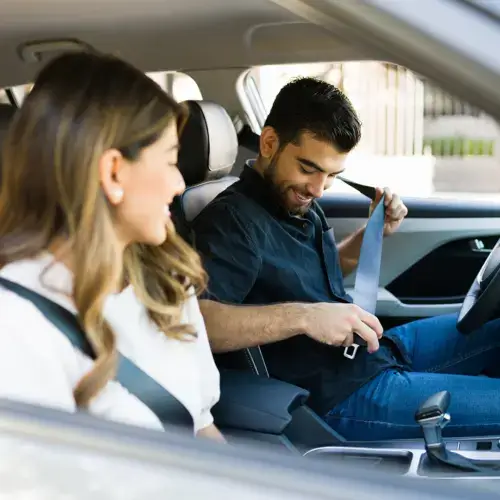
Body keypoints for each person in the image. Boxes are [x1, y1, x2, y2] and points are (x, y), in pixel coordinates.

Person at [192, 77, 500, 442]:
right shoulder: (232, 221)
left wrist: (372, 232)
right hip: (341, 395)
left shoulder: (293, 201)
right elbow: (199, 322)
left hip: (370, 353)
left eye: (332, 175)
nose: (318, 189)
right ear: (270, 142)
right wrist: (305, 317)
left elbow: (317, 272)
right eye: (308, 168)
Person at [0, 51, 223, 442]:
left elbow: (200, 426)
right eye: (171, 161)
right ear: (114, 171)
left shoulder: (168, 277)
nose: (180, 185)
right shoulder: (17, 325)